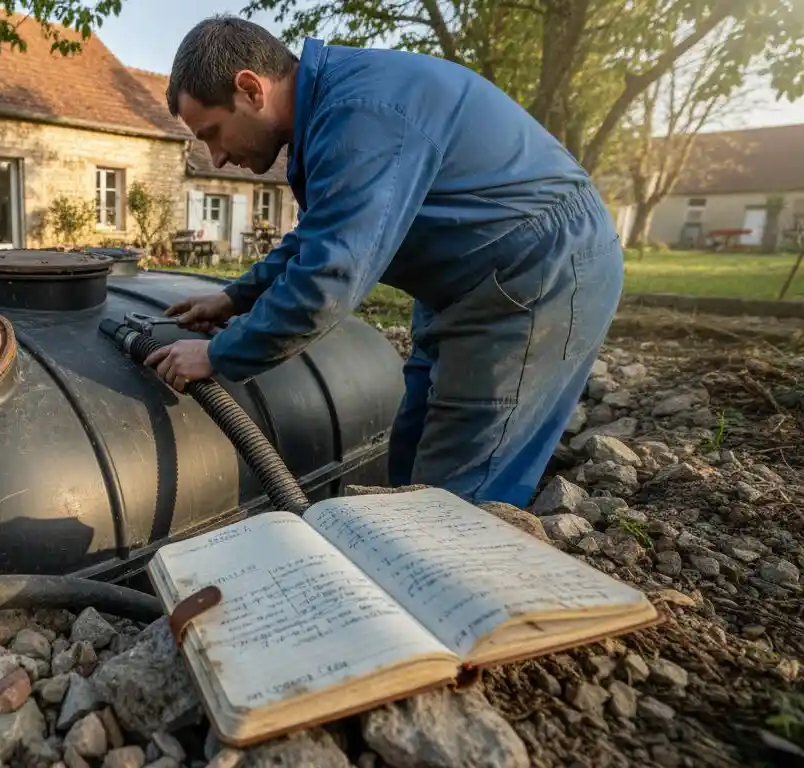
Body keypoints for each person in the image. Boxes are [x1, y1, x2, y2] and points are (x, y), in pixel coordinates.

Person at [143, 16, 624, 509]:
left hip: (536, 271)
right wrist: (235, 297)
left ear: (250, 89)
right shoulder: (331, 110)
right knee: (412, 448)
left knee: (459, 492)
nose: (216, 158)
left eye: (212, 133)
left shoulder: (361, 114)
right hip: (468, 279)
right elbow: (320, 234)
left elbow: (328, 280)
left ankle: (458, 552)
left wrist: (218, 354)